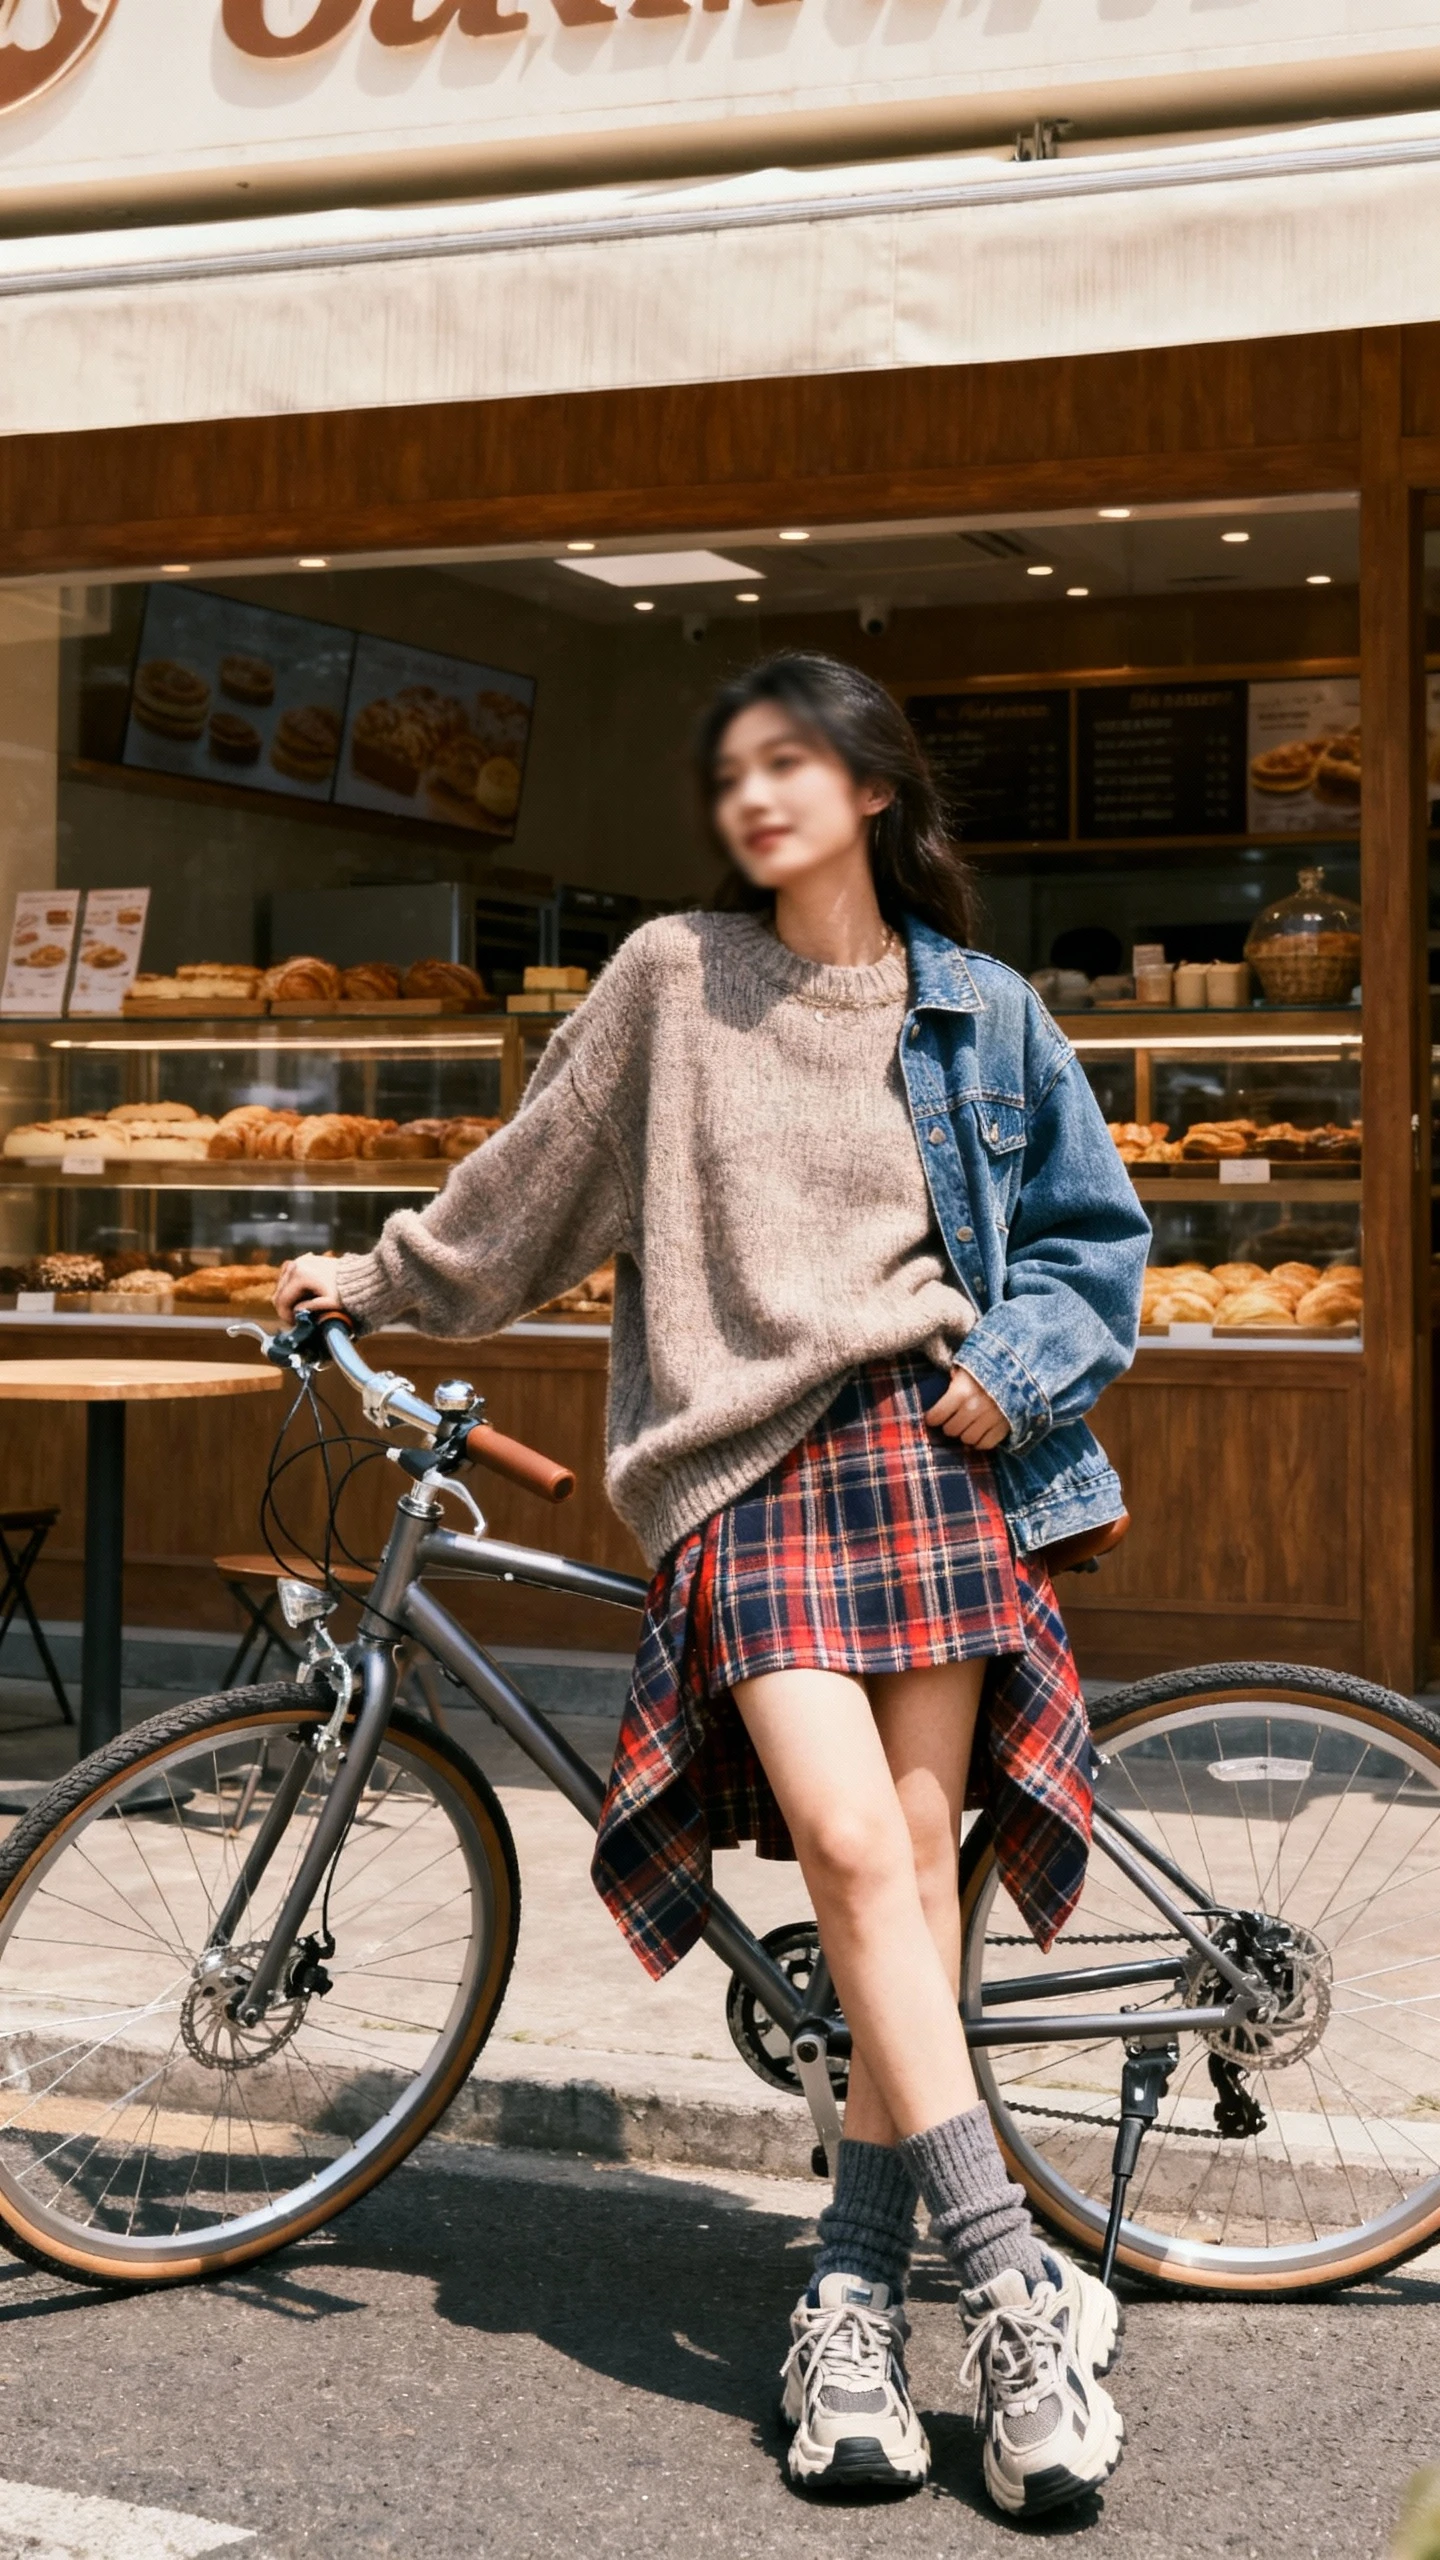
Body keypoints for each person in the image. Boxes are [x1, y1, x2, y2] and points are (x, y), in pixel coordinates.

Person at [275, 651, 1150, 2520]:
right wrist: (379, 1279)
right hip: (743, 1473)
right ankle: (1016, 2294)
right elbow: (529, 1189)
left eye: (791, 763)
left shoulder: (980, 1008)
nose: (753, 796)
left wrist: (1016, 1370)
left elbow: (1095, 1242)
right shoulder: (674, 976)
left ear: (875, 790)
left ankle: (853, 2295)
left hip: (928, 1450)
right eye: (733, 771)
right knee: (848, 1850)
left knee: (910, 1883)